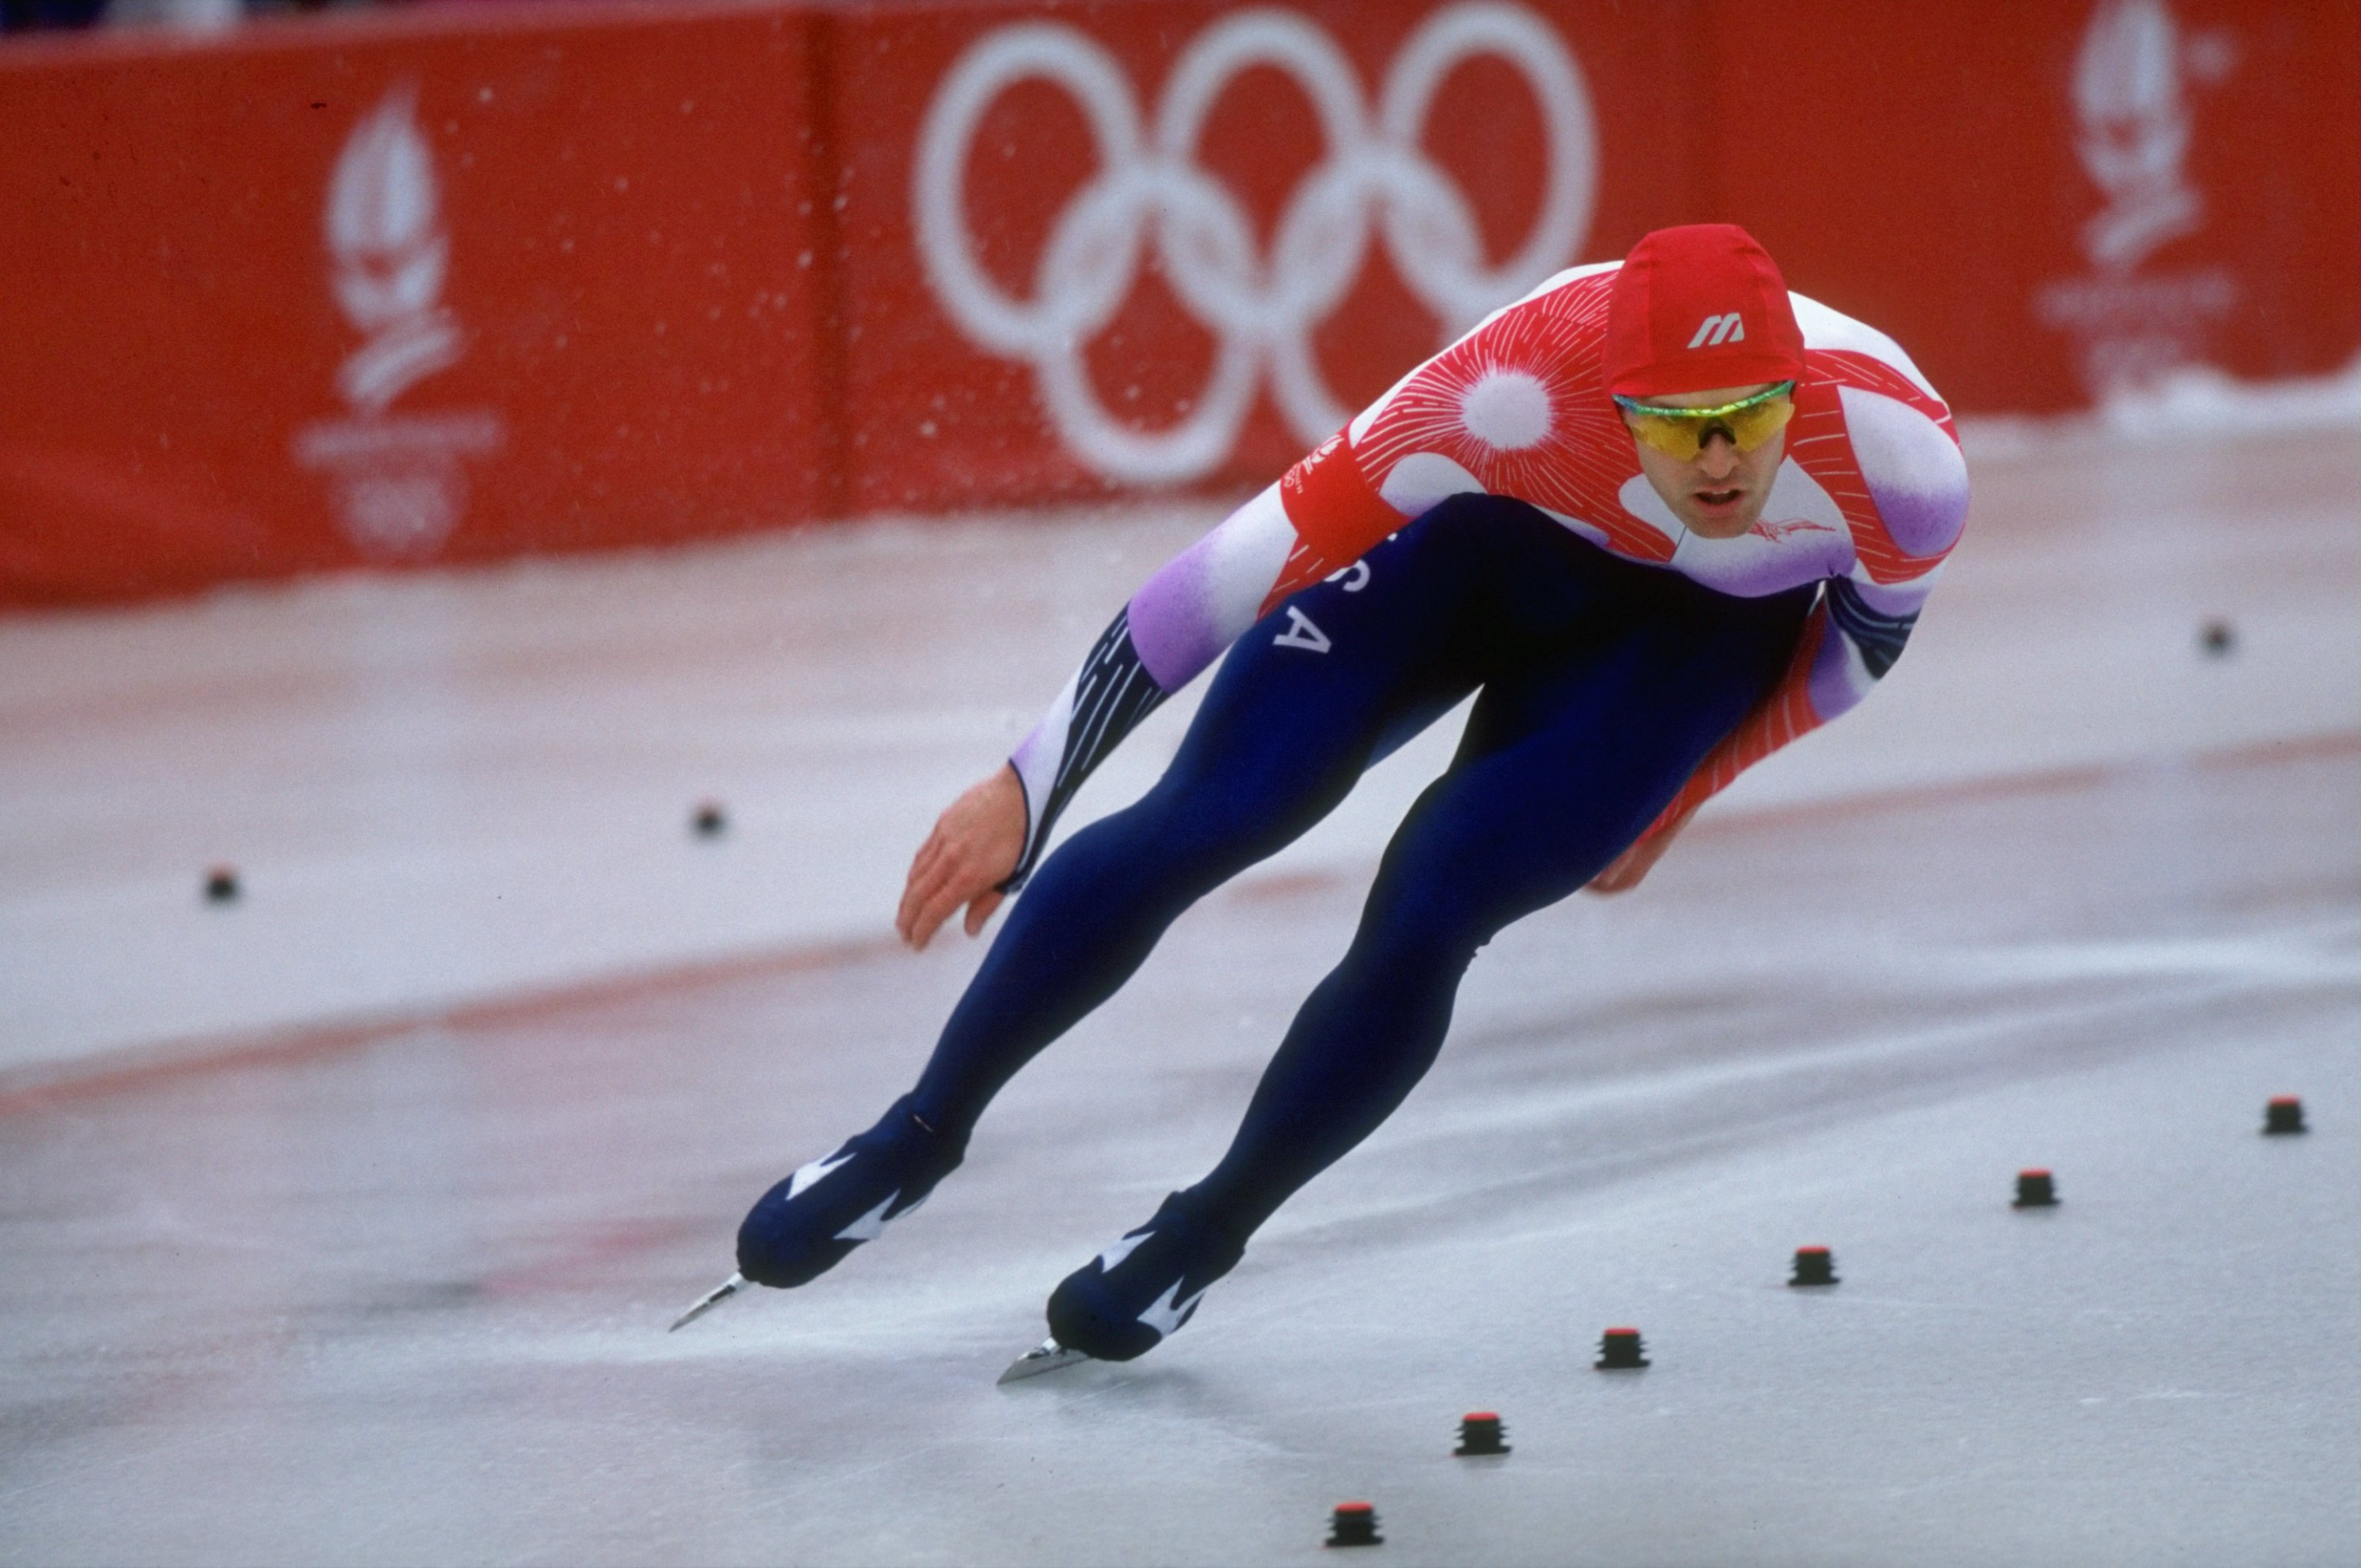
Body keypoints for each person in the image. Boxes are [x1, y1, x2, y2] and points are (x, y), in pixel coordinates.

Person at [714, 224, 1968, 1365]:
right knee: (1214, 810)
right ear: (1612, 392)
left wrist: (1691, 781)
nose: (1711, 463)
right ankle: (915, 1140)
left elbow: (1854, 657)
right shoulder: (1510, 386)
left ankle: (1206, 1232)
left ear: (1795, 394)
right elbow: (1231, 572)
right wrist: (1026, 786)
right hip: (1482, 550)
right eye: (1673, 420)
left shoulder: (1900, 459)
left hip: (1687, 647)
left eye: (1747, 421)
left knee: (1434, 901)